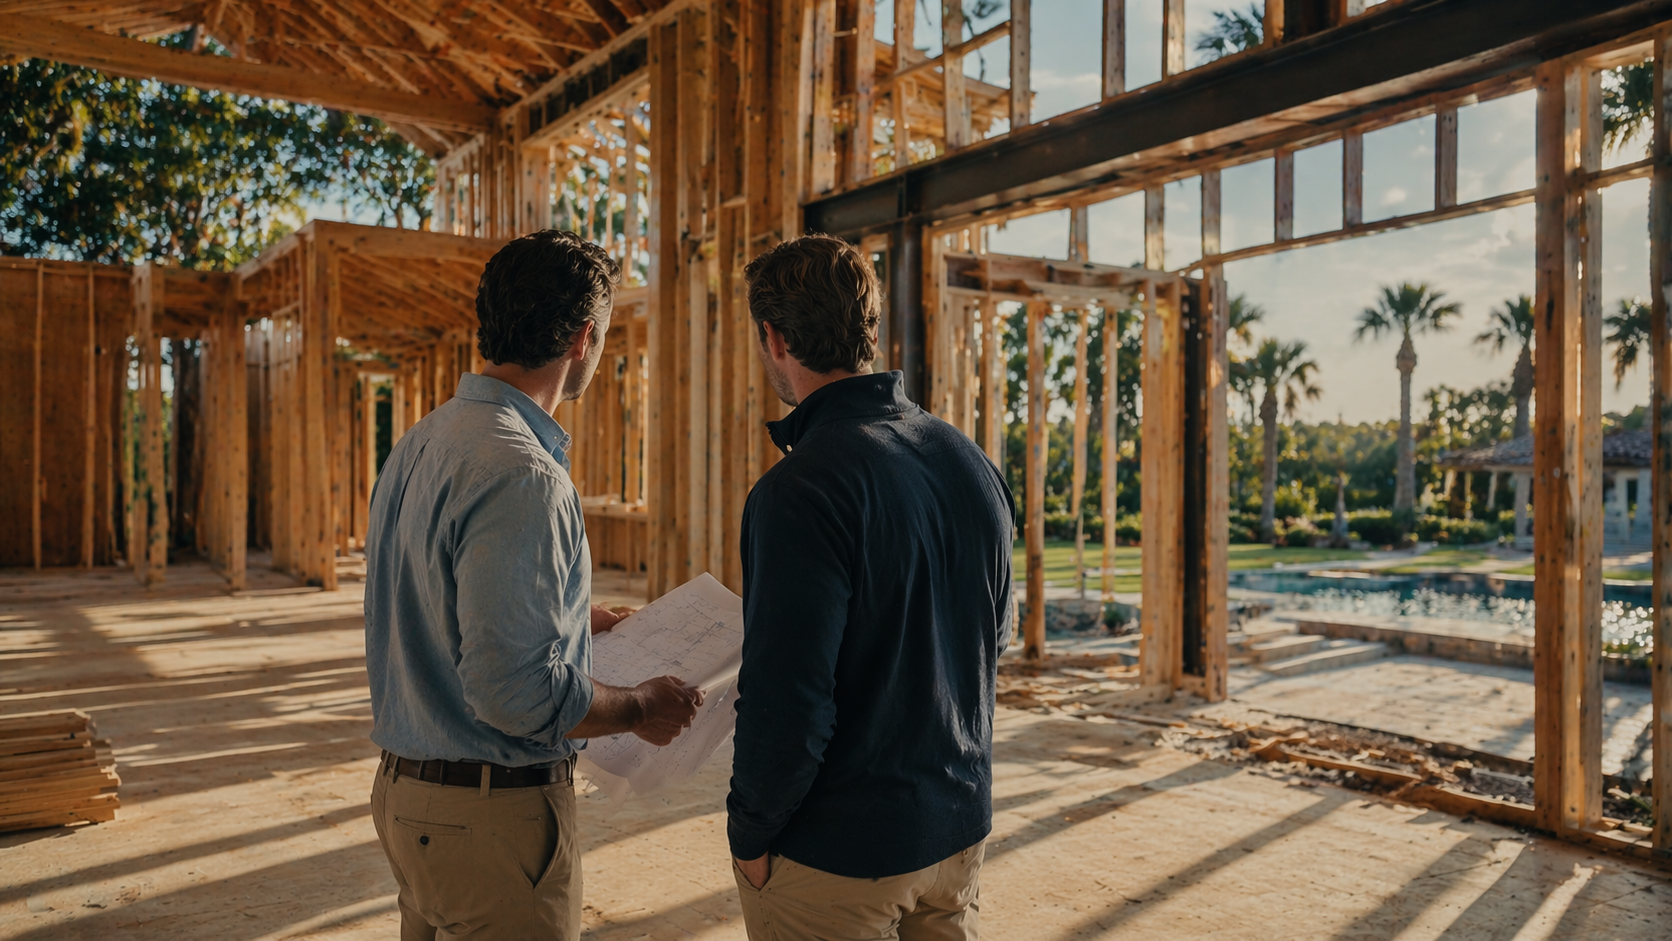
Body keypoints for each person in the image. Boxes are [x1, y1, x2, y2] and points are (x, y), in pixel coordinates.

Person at [364, 229, 702, 941]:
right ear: (583, 337)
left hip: (407, 800)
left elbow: (438, 613)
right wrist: (641, 703)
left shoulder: (420, 444)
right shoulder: (524, 472)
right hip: (490, 825)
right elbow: (514, 693)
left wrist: (574, 624)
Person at [727, 234, 1015, 940]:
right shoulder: (968, 460)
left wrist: (750, 833)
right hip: (956, 830)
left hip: (840, 859)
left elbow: (789, 699)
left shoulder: (798, 489)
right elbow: (990, 637)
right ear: (870, 329)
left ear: (773, 337)